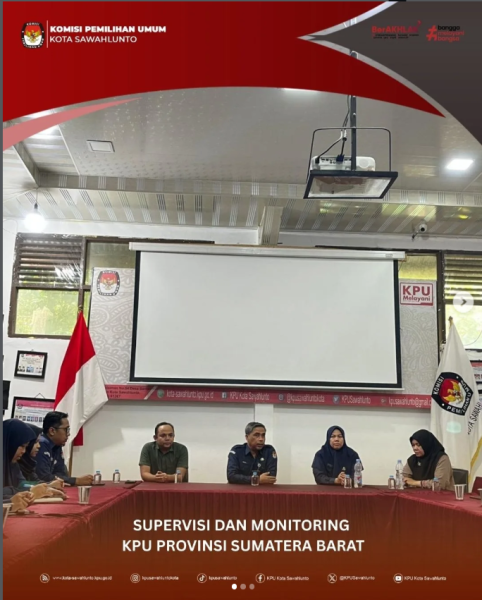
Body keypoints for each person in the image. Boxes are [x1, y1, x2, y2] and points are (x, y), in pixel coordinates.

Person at [3, 419, 56, 511]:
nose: (24, 451)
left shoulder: (13, 464)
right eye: (21, 446)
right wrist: (11, 502)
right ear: (10, 442)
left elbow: (21, 483)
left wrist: (47, 487)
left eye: (26, 447)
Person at [36, 412, 93, 486]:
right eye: (66, 429)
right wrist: (76, 481)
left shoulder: (57, 444)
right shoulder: (41, 444)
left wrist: (67, 480)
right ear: (52, 431)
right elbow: (44, 477)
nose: (68, 434)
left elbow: (61, 473)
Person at [18, 425, 65, 492]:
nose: (39, 446)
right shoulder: (15, 463)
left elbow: (36, 481)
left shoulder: (29, 463)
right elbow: (21, 485)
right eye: (35, 442)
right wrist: (48, 485)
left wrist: (49, 485)